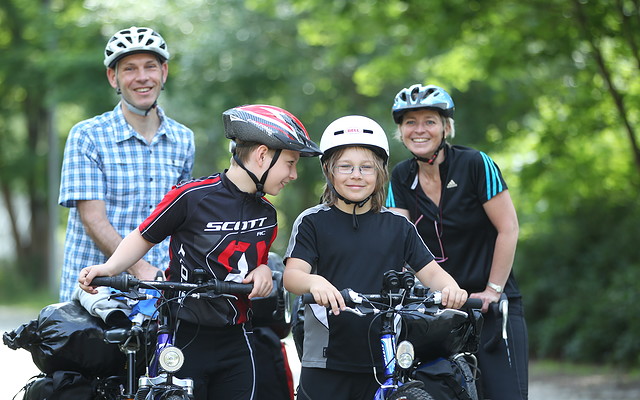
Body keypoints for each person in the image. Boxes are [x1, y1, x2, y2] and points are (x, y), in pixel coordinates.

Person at [78, 104, 322, 400]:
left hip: (237, 341)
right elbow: (143, 236)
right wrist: (110, 269)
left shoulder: (268, 215)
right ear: (262, 156)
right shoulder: (191, 197)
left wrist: (262, 270)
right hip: (184, 337)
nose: (294, 174)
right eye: (290, 163)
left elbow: (251, 264)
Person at [283, 115, 469, 400]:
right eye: (345, 166)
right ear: (328, 170)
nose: (356, 175)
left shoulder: (398, 226)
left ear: (380, 172)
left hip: (384, 355)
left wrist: (451, 289)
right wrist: (314, 283)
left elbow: (432, 273)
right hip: (325, 358)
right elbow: (293, 276)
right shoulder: (312, 222)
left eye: (366, 167)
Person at [386, 83, 528, 399]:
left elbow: (509, 228)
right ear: (401, 130)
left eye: (429, 121)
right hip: (436, 309)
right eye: (410, 122)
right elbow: (400, 242)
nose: (419, 130)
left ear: (445, 127)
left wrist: (492, 291)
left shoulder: (476, 164)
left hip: (489, 302)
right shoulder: (400, 176)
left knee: (506, 393)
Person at [58, 26, 195, 302]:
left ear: (164, 72)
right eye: (130, 69)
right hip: (96, 290)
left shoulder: (183, 139)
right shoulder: (87, 136)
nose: (142, 77)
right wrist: (141, 268)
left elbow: (179, 219)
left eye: (150, 67)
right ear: (114, 77)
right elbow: (93, 219)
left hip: (160, 291)